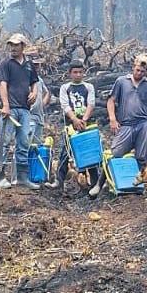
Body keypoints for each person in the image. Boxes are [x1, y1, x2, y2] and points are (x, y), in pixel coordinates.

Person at [0, 33, 39, 190]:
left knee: (23, 143)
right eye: (11, 45)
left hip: (25, 110)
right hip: (11, 109)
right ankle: (0, 175)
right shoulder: (6, 63)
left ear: (23, 46)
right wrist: (5, 105)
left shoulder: (29, 65)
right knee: (4, 142)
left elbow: (34, 82)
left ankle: (22, 177)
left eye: (16, 45)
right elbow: (2, 84)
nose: (13, 48)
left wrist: (34, 92)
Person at [57, 62, 101, 197]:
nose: (78, 75)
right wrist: (75, 119)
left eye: (80, 72)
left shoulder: (88, 87)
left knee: (90, 154)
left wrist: (84, 119)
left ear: (83, 73)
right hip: (70, 124)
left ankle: (94, 186)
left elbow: (91, 103)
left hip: (87, 123)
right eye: (75, 72)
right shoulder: (65, 88)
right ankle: (58, 184)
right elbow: (65, 105)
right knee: (66, 154)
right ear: (70, 73)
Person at [107, 54, 147, 168]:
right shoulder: (122, 81)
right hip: (126, 123)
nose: (139, 73)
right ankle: (104, 182)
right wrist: (112, 119)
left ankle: (138, 181)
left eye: (142, 71)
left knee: (142, 155)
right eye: (137, 70)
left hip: (143, 123)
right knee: (116, 152)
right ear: (133, 68)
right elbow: (111, 100)